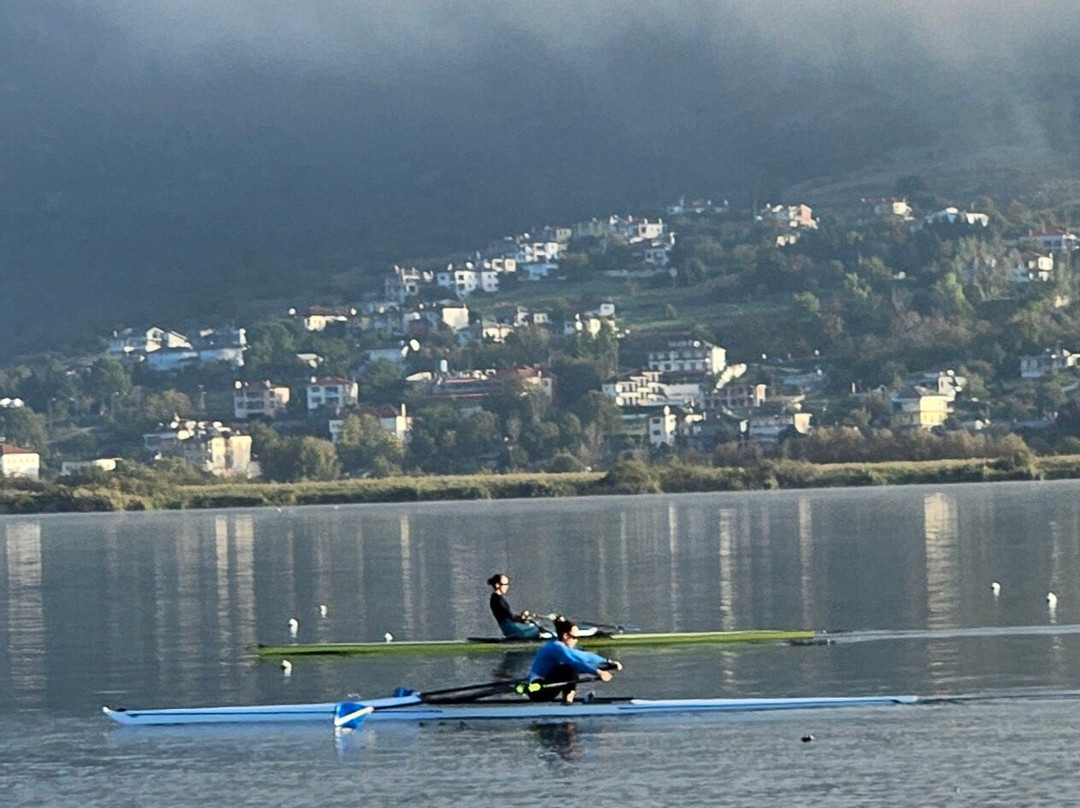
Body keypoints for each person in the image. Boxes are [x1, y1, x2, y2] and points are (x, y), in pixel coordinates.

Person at [525, 616, 622, 703]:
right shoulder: (556, 648)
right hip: (538, 690)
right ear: (565, 636)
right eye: (575, 637)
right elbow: (575, 662)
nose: (577, 640)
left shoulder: (560, 646)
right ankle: (568, 703)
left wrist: (607, 662)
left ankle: (567, 702)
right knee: (570, 668)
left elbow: (586, 656)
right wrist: (598, 672)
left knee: (571, 667)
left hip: (547, 686)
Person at [487, 573, 542, 639]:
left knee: (535, 626)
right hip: (511, 628)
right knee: (537, 630)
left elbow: (509, 615)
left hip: (510, 626)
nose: (507, 586)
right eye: (505, 584)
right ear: (497, 585)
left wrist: (522, 618)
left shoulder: (497, 598)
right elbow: (509, 616)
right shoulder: (497, 600)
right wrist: (522, 618)